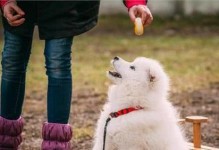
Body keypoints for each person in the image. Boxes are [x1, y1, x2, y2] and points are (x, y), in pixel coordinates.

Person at [0, 0, 153, 149]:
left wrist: (135, 2)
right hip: (19, 3)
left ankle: (56, 145)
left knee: (57, 64)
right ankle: (4, 140)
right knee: (12, 64)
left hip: (63, 6)